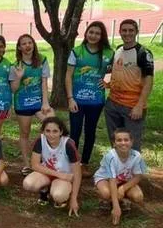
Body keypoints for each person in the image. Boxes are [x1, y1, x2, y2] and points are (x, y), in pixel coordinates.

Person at [66, 21, 113, 177]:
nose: (93, 35)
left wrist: (109, 83)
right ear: (86, 33)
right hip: (77, 101)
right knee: (75, 132)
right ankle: (71, 163)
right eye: (91, 32)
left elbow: (119, 71)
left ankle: (84, 163)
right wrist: (70, 98)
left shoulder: (108, 53)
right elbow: (68, 76)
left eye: (97, 33)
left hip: (96, 101)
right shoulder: (77, 51)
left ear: (102, 36)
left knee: (90, 132)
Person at [104, 19, 154, 151]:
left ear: (137, 32)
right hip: (112, 103)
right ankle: (118, 169)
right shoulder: (118, 49)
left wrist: (139, 105)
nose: (127, 33)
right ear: (119, 32)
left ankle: (132, 171)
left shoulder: (143, 53)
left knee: (131, 143)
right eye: (124, 30)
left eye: (131, 30)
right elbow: (116, 71)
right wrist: (107, 83)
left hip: (132, 106)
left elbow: (149, 80)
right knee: (115, 141)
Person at [10, 34, 53, 176]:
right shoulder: (15, 65)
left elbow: (44, 82)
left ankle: (47, 159)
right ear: (19, 47)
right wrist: (19, 77)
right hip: (22, 104)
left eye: (30, 42)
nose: (27, 46)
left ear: (34, 44)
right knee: (25, 133)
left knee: (52, 125)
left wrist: (45, 102)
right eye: (24, 43)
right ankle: (27, 163)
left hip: (39, 103)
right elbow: (13, 89)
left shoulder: (42, 60)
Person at [22, 117, 81, 216]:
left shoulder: (68, 144)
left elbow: (77, 174)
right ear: (43, 132)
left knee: (59, 195)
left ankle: (62, 195)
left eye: (55, 131)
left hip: (65, 177)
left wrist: (74, 199)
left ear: (61, 131)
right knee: (28, 184)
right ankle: (44, 190)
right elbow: (35, 165)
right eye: (48, 131)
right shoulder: (40, 140)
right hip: (48, 173)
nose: (51, 135)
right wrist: (58, 174)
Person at [94, 128, 147, 225]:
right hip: (106, 179)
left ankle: (122, 199)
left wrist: (123, 188)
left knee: (138, 197)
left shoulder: (137, 156)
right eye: (119, 140)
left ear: (131, 142)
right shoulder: (110, 156)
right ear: (114, 143)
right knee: (106, 193)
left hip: (124, 180)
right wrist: (116, 207)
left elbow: (138, 176)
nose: (123, 143)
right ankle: (106, 201)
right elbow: (112, 180)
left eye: (126, 140)